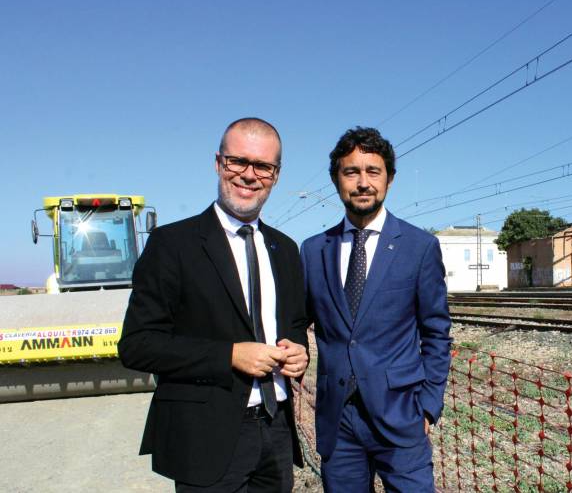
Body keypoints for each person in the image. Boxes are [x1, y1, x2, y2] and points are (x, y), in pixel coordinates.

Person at [118, 117, 310, 492]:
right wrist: (229, 356)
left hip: (276, 431)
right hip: (206, 437)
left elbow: (293, 323)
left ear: (277, 174)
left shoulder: (285, 249)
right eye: (237, 161)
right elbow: (137, 345)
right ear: (218, 163)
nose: (249, 175)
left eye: (263, 166)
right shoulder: (172, 245)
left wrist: (297, 349)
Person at [300, 127, 452, 492]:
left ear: (389, 179)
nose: (363, 182)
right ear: (337, 180)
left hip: (401, 416)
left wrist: (428, 405)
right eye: (351, 172)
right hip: (339, 422)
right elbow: (295, 322)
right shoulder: (313, 250)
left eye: (373, 171)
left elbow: (436, 333)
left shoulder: (419, 246)